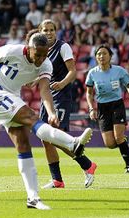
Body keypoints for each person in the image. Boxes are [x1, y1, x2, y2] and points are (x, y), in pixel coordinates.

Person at [0, 32, 93, 210]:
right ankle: (72, 143)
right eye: (37, 54)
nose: (40, 58)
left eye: (44, 54)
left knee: (23, 145)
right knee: (32, 118)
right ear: (28, 49)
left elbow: (45, 90)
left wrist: (51, 111)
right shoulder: (12, 51)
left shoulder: (46, 64)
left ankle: (33, 198)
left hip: (11, 98)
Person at [37, 19, 97, 189]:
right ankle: (57, 180)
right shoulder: (41, 50)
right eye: (45, 30)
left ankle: (87, 165)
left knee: (56, 137)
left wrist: (62, 84)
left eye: (51, 30)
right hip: (46, 96)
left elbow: (73, 72)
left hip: (61, 96)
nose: (48, 33)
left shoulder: (62, 47)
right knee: (45, 138)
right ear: (40, 32)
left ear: (56, 32)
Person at [86, 45, 129, 173]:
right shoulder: (92, 73)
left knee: (118, 137)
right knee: (110, 144)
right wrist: (91, 108)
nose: (101, 56)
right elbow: (89, 93)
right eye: (99, 54)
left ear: (110, 56)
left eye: (104, 53)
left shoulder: (119, 70)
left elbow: (128, 86)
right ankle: (125, 143)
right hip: (102, 107)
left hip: (117, 104)